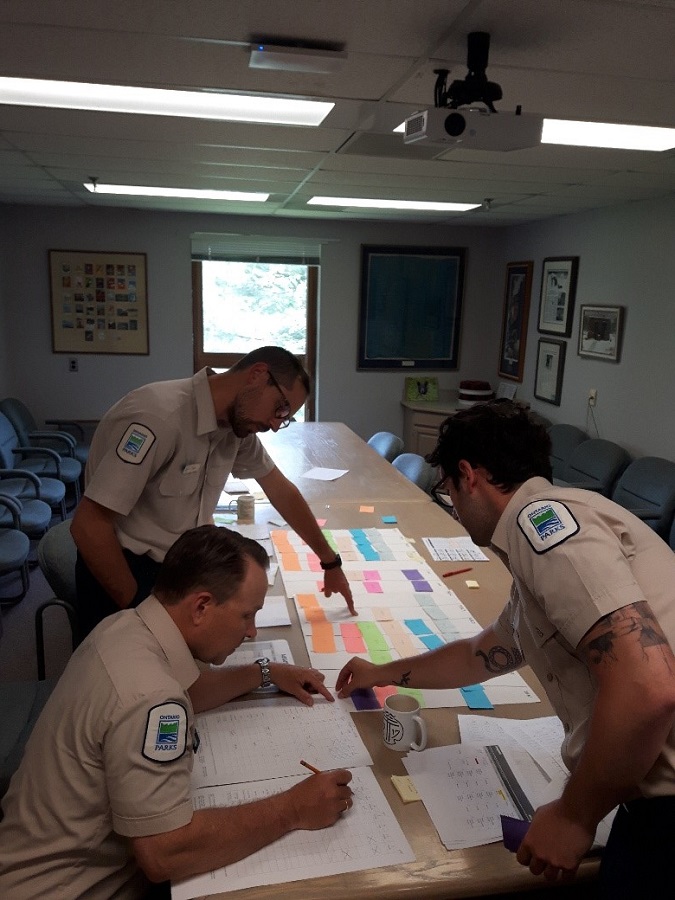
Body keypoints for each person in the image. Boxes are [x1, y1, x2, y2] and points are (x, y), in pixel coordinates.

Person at [335, 399, 675, 897]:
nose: (451, 504)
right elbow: (482, 653)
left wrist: (574, 816)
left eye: (447, 490)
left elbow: (648, 689)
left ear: (468, 475)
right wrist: (382, 672)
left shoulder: (545, 527)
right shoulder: (547, 533)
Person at [0, 525, 353, 899]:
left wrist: (262, 673)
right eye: (246, 616)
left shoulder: (127, 626)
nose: (251, 633)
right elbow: (164, 854)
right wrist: (293, 808)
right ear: (201, 607)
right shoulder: (152, 699)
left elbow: (190, 689)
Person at [71, 346, 354, 636]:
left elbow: (280, 490)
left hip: (176, 571)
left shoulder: (235, 427)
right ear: (257, 375)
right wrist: (140, 612)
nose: (274, 424)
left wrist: (330, 561)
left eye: (285, 418)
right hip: (122, 570)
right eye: (280, 408)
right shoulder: (158, 417)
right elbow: (89, 526)